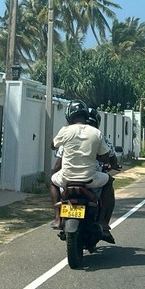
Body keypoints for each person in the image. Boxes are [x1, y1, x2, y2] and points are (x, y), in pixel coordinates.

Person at [50, 101, 116, 242]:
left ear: (69, 116)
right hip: (90, 180)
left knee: (52, 181)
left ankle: (57, 218)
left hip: (66, 179)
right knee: (109, 181)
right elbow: (105, 157)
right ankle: (103, 221)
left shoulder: (65, 131)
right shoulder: (96, 133)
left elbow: (52, 146)